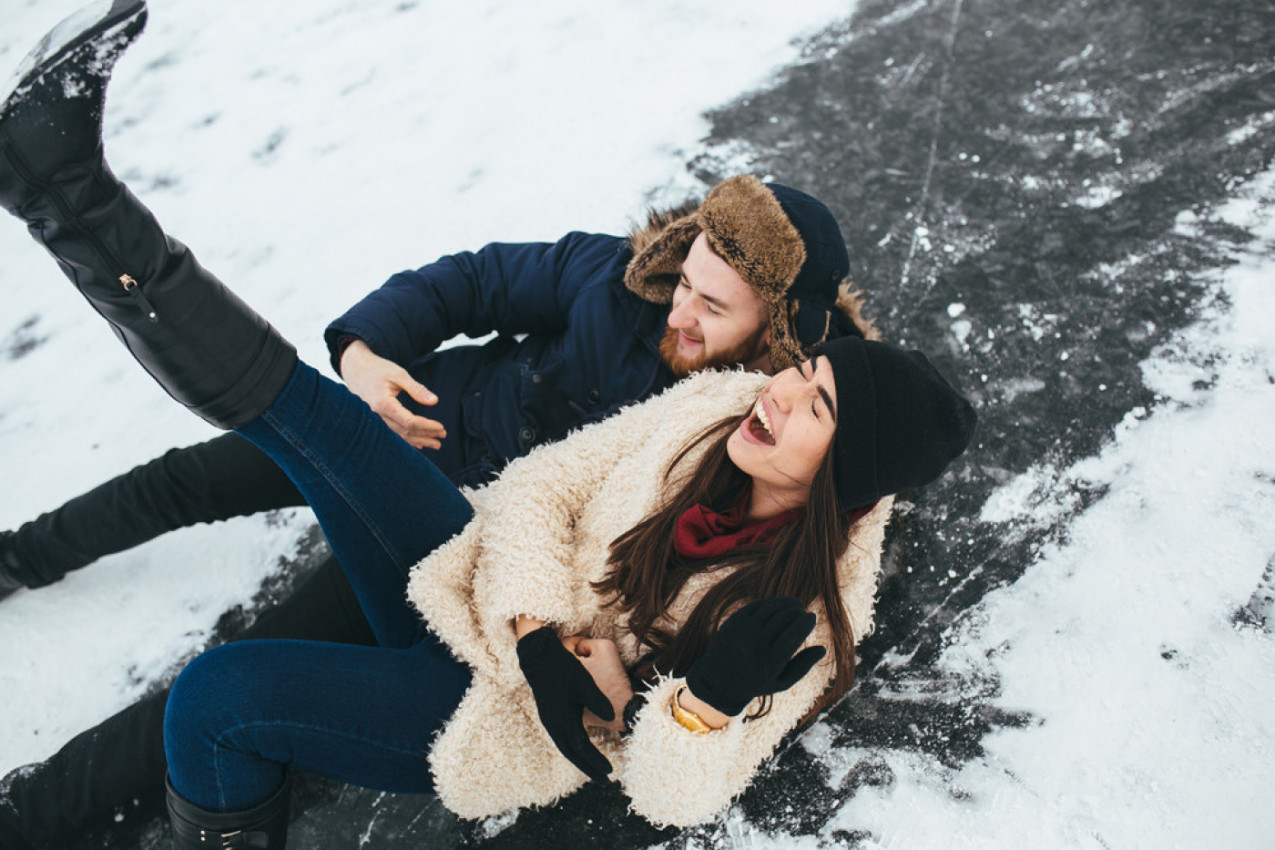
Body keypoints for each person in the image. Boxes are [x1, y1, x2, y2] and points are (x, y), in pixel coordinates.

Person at [0, 2, 976, 847]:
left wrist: (700, 707)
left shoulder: (799, 608)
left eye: (713, 307)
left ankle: (32, 817)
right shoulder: (673, 351)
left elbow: (667, 787)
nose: (681, 310)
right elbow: (511, 394)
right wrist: (368, 356)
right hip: (458, 504)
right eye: (687, 280)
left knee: (220, 689)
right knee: (282, 421)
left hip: (486, 664)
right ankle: (63, 190)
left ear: (777, 329)